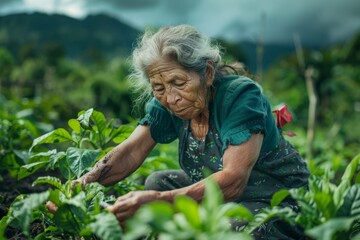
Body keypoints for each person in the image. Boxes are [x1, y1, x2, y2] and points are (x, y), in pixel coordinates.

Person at [72, 25, 309, 238]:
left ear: (206, 73)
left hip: (273, 197)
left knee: (234, 228)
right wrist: (86, 182)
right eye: (159, 87)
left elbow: (234, 180)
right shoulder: (165, 103)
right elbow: (131, 152)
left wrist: (158, 202)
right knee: (157, 182)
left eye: (179, 82)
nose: (171, 98)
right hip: (220, 197)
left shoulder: (240, 97)